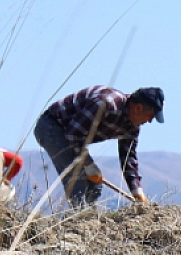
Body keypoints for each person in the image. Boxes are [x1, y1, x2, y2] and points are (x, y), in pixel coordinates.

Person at [33, 86, 163, 207]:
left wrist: (137, 192)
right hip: (52, 127)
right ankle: (75, 222)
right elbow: (74, 134)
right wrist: (88, 164)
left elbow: (128, 160)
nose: (150, 121)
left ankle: (88, 217)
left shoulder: (132, 128)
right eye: (150, 116)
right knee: (77, 179)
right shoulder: (106, 104)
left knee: (95, 184)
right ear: (138, 108)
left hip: (72, 137)